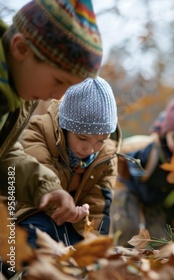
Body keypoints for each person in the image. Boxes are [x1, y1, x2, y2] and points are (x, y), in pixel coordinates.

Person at [0, 0, 103, 226]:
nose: (58, 96)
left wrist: (45, 186)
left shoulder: (19, 94)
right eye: (59, 81)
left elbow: (4, 156)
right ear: (21, 48)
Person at [18, 77, 119, 247]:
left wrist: (95, 246)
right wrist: (65, 210)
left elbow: (99, 206)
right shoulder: (38, 132)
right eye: (82, 138)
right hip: (32, 211)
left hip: (74, 223)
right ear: (64, 127)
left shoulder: (107, 156)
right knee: (37, 237)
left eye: (101, 140)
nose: (90, 149)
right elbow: (41, 177)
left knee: (79, 250)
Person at [112, 93, 174, 246]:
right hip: (132, 191)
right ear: (166, 132)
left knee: (161, 241)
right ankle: (119, 256)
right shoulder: (147, 150)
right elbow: (117, 158)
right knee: (128, 228)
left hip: (160, 201)